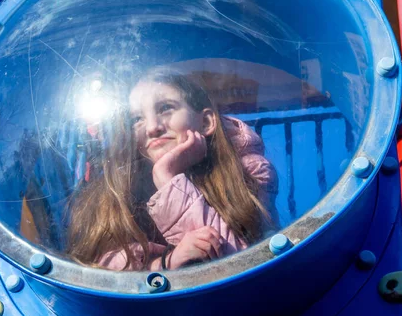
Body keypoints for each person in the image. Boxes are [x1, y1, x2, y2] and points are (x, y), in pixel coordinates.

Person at [67, 73, 278, 271]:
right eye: (137, 119)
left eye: (166, 108)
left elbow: (240, 263)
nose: (152, 128)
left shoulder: (249, 170)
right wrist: (164, 264)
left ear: (205, 122)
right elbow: (97, 271)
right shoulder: (116, 191)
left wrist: (168, 179)